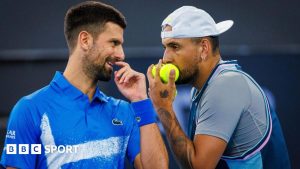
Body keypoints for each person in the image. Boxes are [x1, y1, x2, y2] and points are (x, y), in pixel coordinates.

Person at [1, 1, 168, 169]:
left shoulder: (123, 111)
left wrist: (140, 100)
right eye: (114, 43)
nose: (121, 54)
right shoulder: (29, 110)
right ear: (85, 40)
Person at [147, 6, 290, 169]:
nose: (166, 58)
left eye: (175, 46)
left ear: (204, 48)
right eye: (165, 47)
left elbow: (198, 166)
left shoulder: (226, 86)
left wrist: (163, 106)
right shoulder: (204, 86)